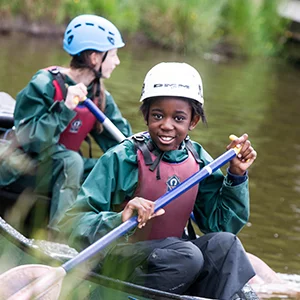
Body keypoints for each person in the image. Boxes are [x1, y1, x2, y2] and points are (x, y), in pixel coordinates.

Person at [59, 62, 258, 299]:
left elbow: (220, 225)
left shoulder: (198, 160)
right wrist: (118, 218)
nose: (166, 125)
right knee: (187, 257)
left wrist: (236, 175)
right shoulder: (122, 158)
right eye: (158, 115)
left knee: (227, 246)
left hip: (171, 261)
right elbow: (71, 223)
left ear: (193, 122)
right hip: (119, 259)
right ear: (146, 116)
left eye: (179, 118)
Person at [0, 14, 132, 233]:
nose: (117, 61)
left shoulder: (98, 96)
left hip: (55, 169)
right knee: (71, 161)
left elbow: (121, 143)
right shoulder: (44, 84)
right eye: (114, 54)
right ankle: (58, 237)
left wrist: (146, 162)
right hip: (20, 166)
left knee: (108, 167)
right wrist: (65, 108)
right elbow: (32, 140)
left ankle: (104, 232)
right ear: (94, 58)